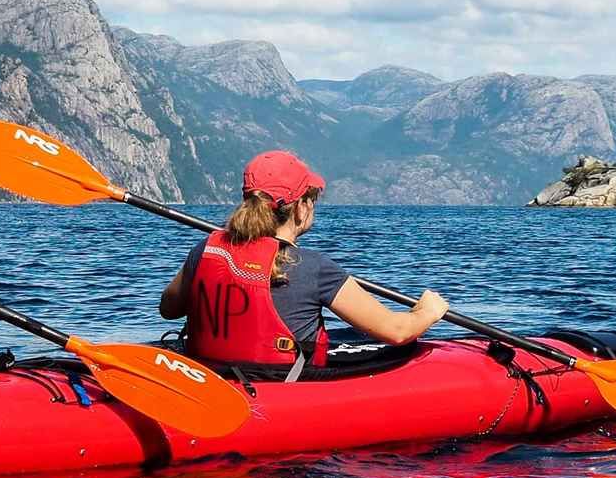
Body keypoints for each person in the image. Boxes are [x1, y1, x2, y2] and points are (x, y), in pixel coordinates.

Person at [158, 150, 449, 379]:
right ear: (301, 207)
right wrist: (427, 311)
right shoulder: (312, 267)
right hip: (279, 386)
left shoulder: (207, 250)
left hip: (210, 375)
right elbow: (396, 331)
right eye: (312, 198)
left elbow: (168, 309)